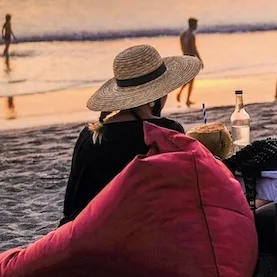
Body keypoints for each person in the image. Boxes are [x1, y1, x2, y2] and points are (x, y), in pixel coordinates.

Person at [60, 44, 199, 225]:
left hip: (83, 230)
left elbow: (71, 204)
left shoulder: (89, 135)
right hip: (136, 232)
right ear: (152, 99)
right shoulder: (164, 132)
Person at [176, 17, 203, 106]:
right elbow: (194, 49)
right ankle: (187, 99)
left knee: (188, 79)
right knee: (191, 80)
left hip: (184, 57)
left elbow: (182, 47)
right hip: (191, 58)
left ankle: (181, 94)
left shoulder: (183, 34)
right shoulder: (191, 35)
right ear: (193, 24)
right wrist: (200, 59)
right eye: (196, 24)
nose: (197, 26)